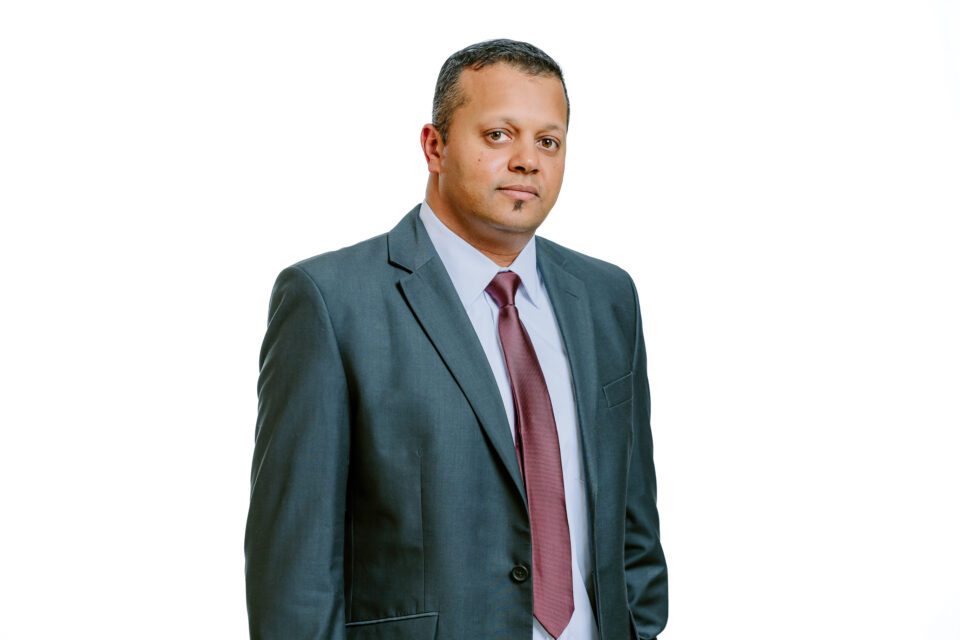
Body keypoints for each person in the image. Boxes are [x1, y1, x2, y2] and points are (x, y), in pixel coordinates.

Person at [244, 39, 667, 640]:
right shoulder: (331, 303)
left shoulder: (607, 297)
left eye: (548, 141)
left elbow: (634, 523)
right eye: (498, 135)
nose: (528, 161)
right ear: (434, 146)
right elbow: (295, 580)